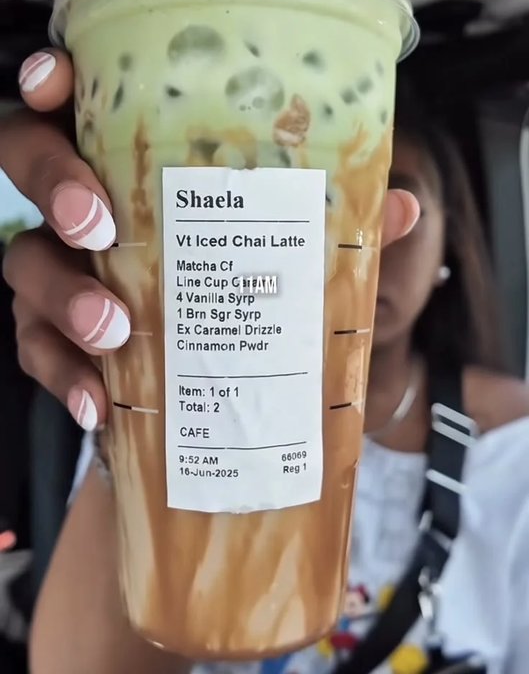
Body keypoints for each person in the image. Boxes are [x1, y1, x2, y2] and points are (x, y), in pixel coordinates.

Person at [1, 50, 529, 674]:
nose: (344, 245)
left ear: (448, 247)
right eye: (318, 204)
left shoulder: (512, 451)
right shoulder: (170, 407)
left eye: (382, 202)